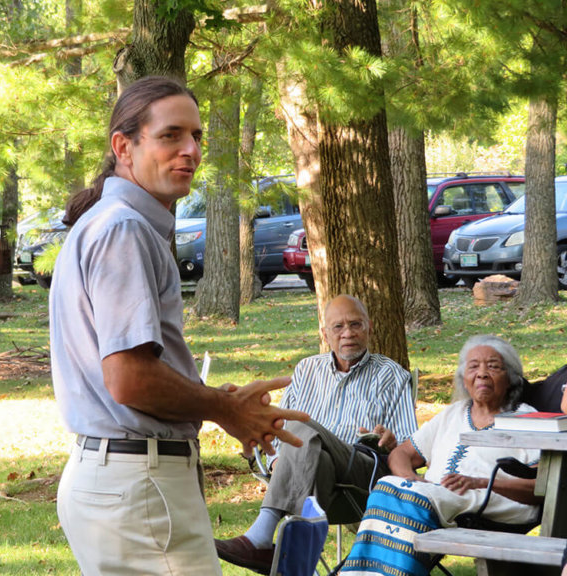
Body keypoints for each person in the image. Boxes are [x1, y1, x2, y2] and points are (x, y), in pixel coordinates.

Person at [49, 76, 310, 576]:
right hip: (139, 485)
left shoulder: (114, 222)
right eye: (171, 135)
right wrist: (222, 407)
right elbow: (128, 378)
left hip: (121, 482)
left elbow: (135, 370)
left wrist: (206, 397)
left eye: (196, 136)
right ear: (123, 147)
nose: (190, 150)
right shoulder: (123, 228)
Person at [216, 294, 418, 575]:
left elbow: (414, 445)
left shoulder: (392, 375)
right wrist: (277, 462)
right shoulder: (306, 369)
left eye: (355, 324)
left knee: (300, 425)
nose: (347, 333)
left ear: (369, 327)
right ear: (324, 333)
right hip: (315, 478)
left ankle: (262, 534)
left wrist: (392, 439)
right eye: (338, 327)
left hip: (361, 475)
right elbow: (275, 434)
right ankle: (296, 563)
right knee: (314, 456)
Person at [338, 334, 541, 576]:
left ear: (511, 377)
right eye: (473, 366)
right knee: (387, 485)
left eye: (494, 366)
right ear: (463, 378)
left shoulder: (529, 420)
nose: (482, 373)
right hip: (433, 497)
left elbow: (542, 487)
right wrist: (411, 479)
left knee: (412, 499)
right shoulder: (454, 413)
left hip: (489, 504)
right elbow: (401, 453)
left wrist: (482, 482)